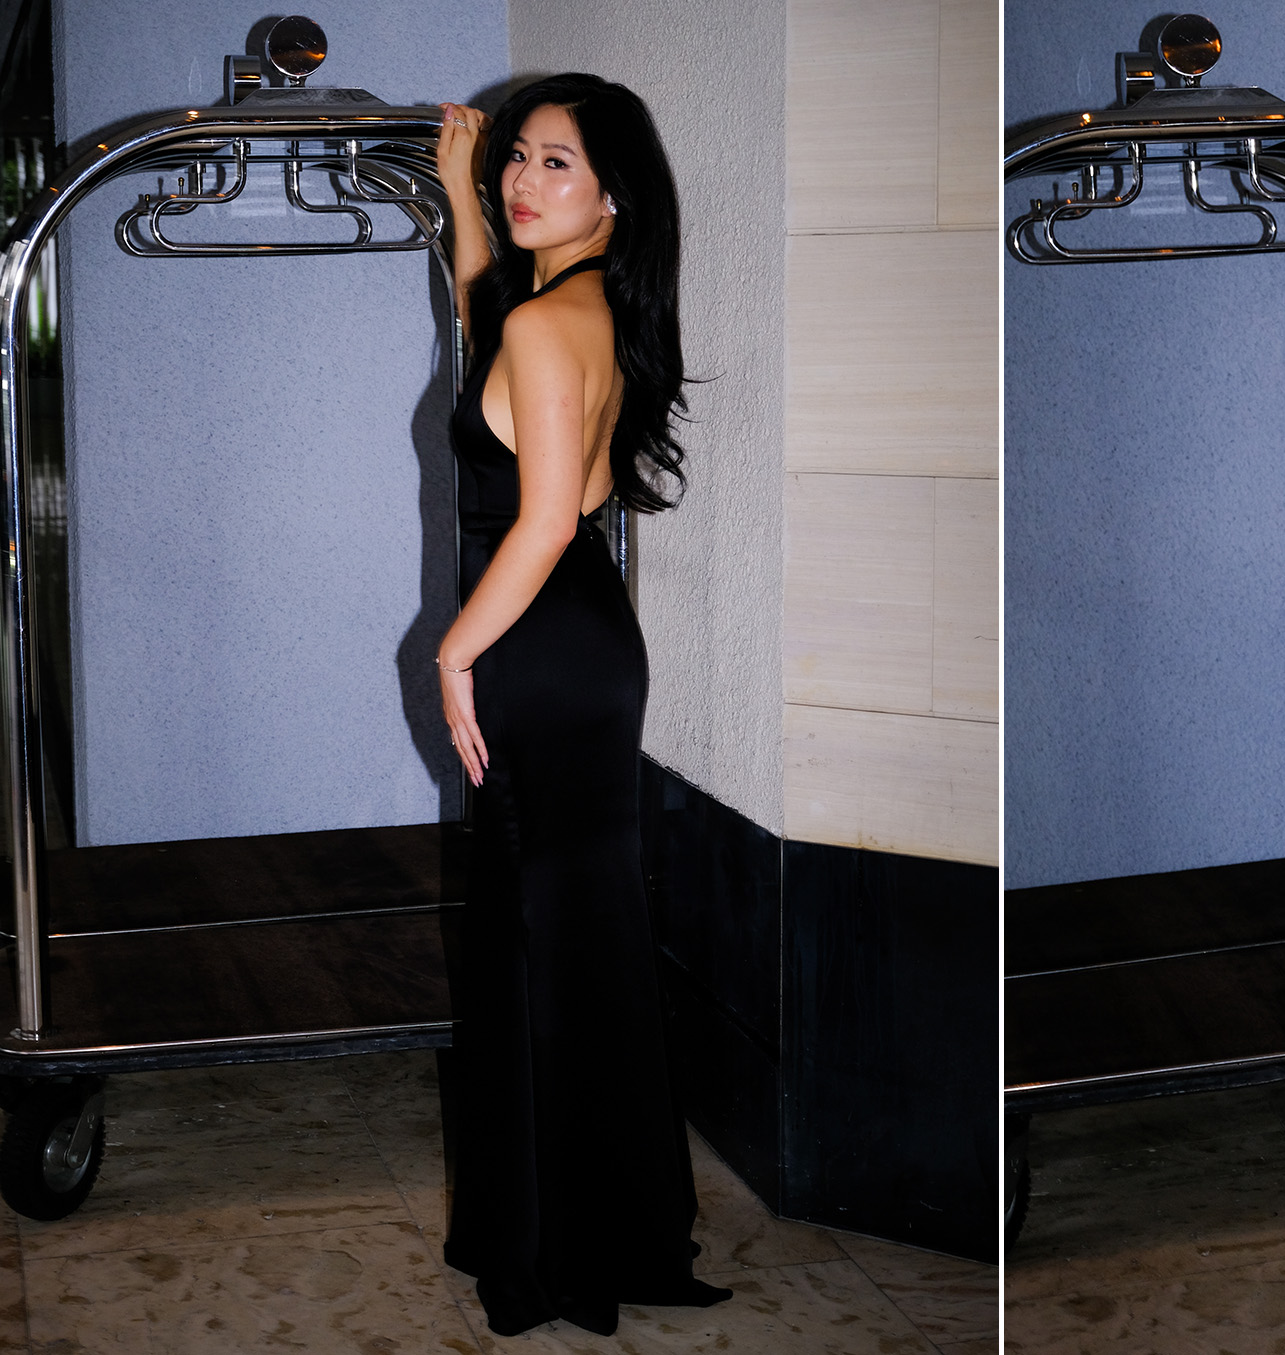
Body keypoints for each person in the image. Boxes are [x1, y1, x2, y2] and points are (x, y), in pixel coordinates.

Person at [430, 75, 731, 1338]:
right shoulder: (575, 303)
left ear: (613, 189)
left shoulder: (554, 327)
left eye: (553, 163)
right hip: (577, 641)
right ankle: (584, 1218)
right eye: (516, 159)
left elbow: (547, 518)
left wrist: (450, 652)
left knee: (533, 938)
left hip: (537, 642)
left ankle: (551, 1243)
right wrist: (459, 190)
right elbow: (478, 296)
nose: (519, 179)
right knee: (566, 933)